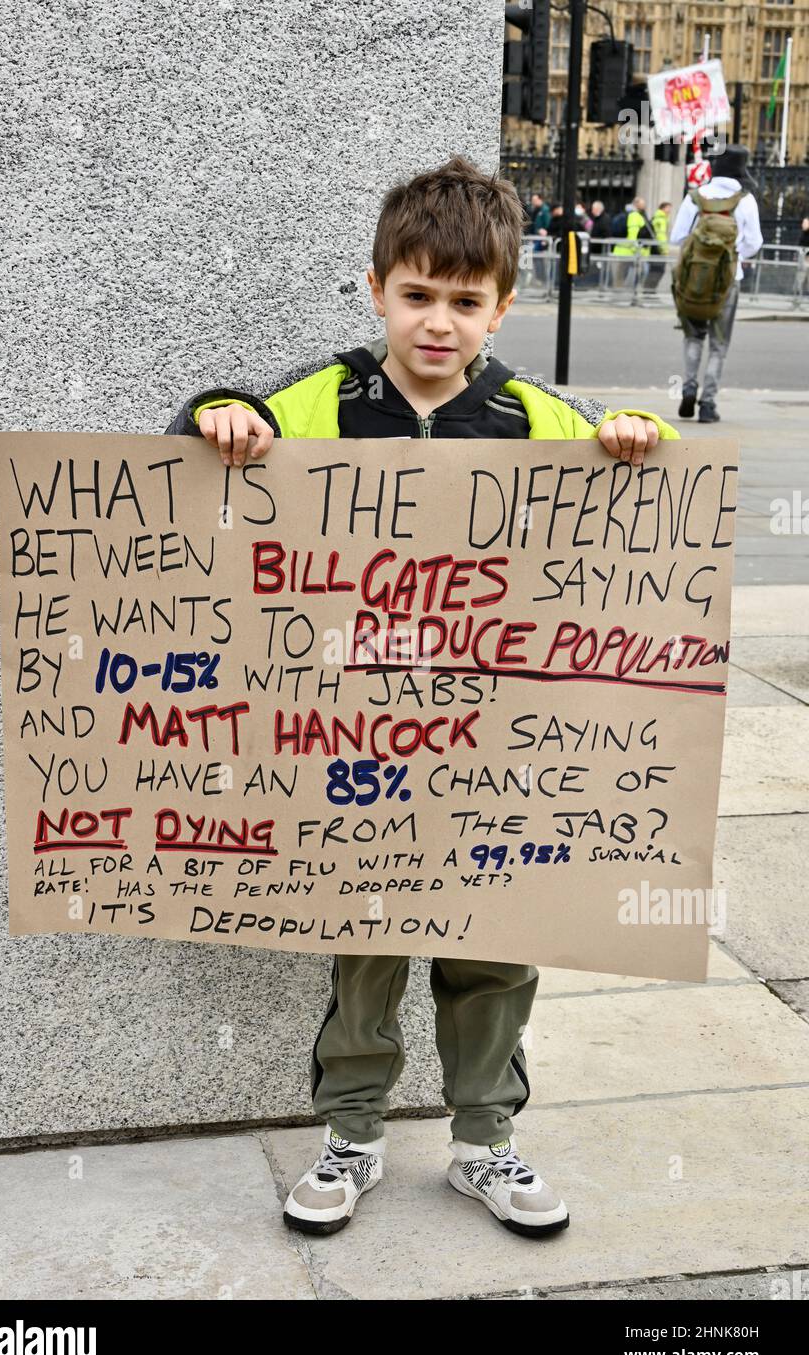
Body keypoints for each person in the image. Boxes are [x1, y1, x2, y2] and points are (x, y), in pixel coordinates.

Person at [165, 154, 679, 1240]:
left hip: (496, 748)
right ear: (376, 288)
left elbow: (643, 490)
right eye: (417, 295)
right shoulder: (329, 398)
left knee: (496, 949)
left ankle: (486, 1140)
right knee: (367, 941)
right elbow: (213, 430)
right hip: (361, 747)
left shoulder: (534, 413)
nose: (437, 322)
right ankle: (351, 1133)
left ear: (502, 308)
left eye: (464, 301)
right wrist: (219, 417)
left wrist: (637, 436)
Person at [669, 144, 763, 422]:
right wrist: (732, 256)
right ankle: (707, 403)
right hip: (728, 283)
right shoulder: (744, 200)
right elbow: (755, 243)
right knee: (719, 344)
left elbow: (676, 237)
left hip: (693, 282)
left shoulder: (695, 197)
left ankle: (688, 388)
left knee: (693, 337)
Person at [611, 197, 651, 288]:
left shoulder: (630, 214)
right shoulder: (634, 215)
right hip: (630, 251)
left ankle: (620, 292)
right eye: (642, 204)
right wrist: (636, 250)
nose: (644, 206)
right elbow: (633, 235)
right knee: (636, 274)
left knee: (621, 274)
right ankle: (627, 294)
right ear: (636, 204)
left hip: (623, 250)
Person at [644, 201, 672, 292]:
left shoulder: (657, 217)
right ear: (663, 208)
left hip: (655, 247)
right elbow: (661, 235)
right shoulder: (661, 219)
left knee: (655, 270)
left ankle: (649, 290)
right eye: (668, 208)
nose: (670, 210)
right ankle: (649, 290)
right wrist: (664, 249)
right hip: (657, 248)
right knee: (658, 270)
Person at [793, 215, 809, 304]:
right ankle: (797, 294)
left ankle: (800, 295)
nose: (803, 225)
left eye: (805, 223)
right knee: (800, 275)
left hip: (806, 258)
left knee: (803, 275)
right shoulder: (803, 233)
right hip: (802, 257)